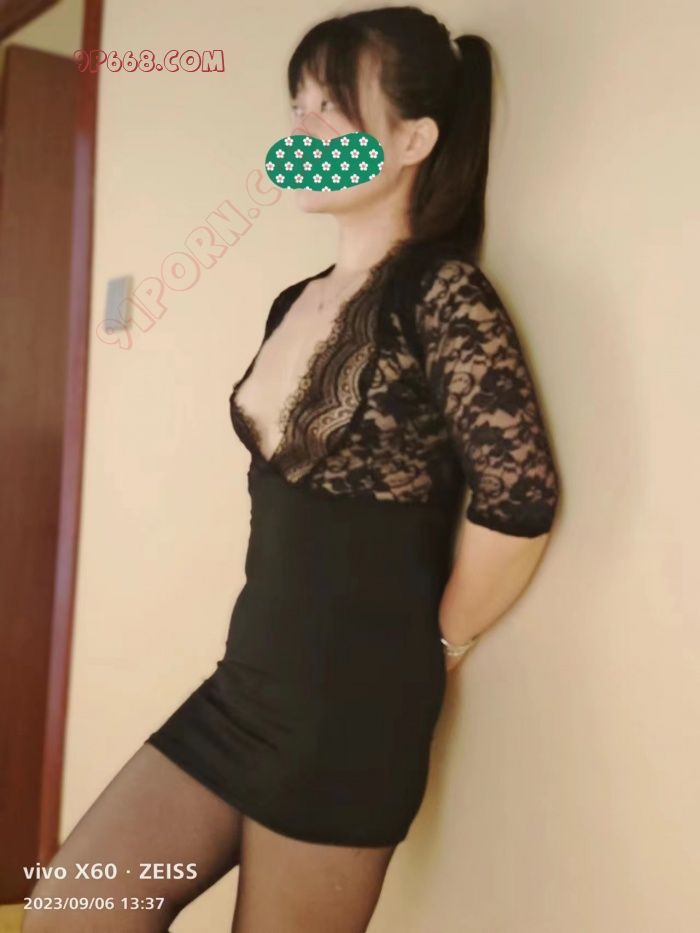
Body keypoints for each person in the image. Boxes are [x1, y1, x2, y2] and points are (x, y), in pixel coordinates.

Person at [23, 6, 560, 932]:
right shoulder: (293, 300)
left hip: (352, 716)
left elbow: (520, 497)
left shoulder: (441, 293)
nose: (303, 128)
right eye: (298, 105)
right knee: (70, 911)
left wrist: (439, 645)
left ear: (413, 139)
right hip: (243, 688)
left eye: (331, 109)